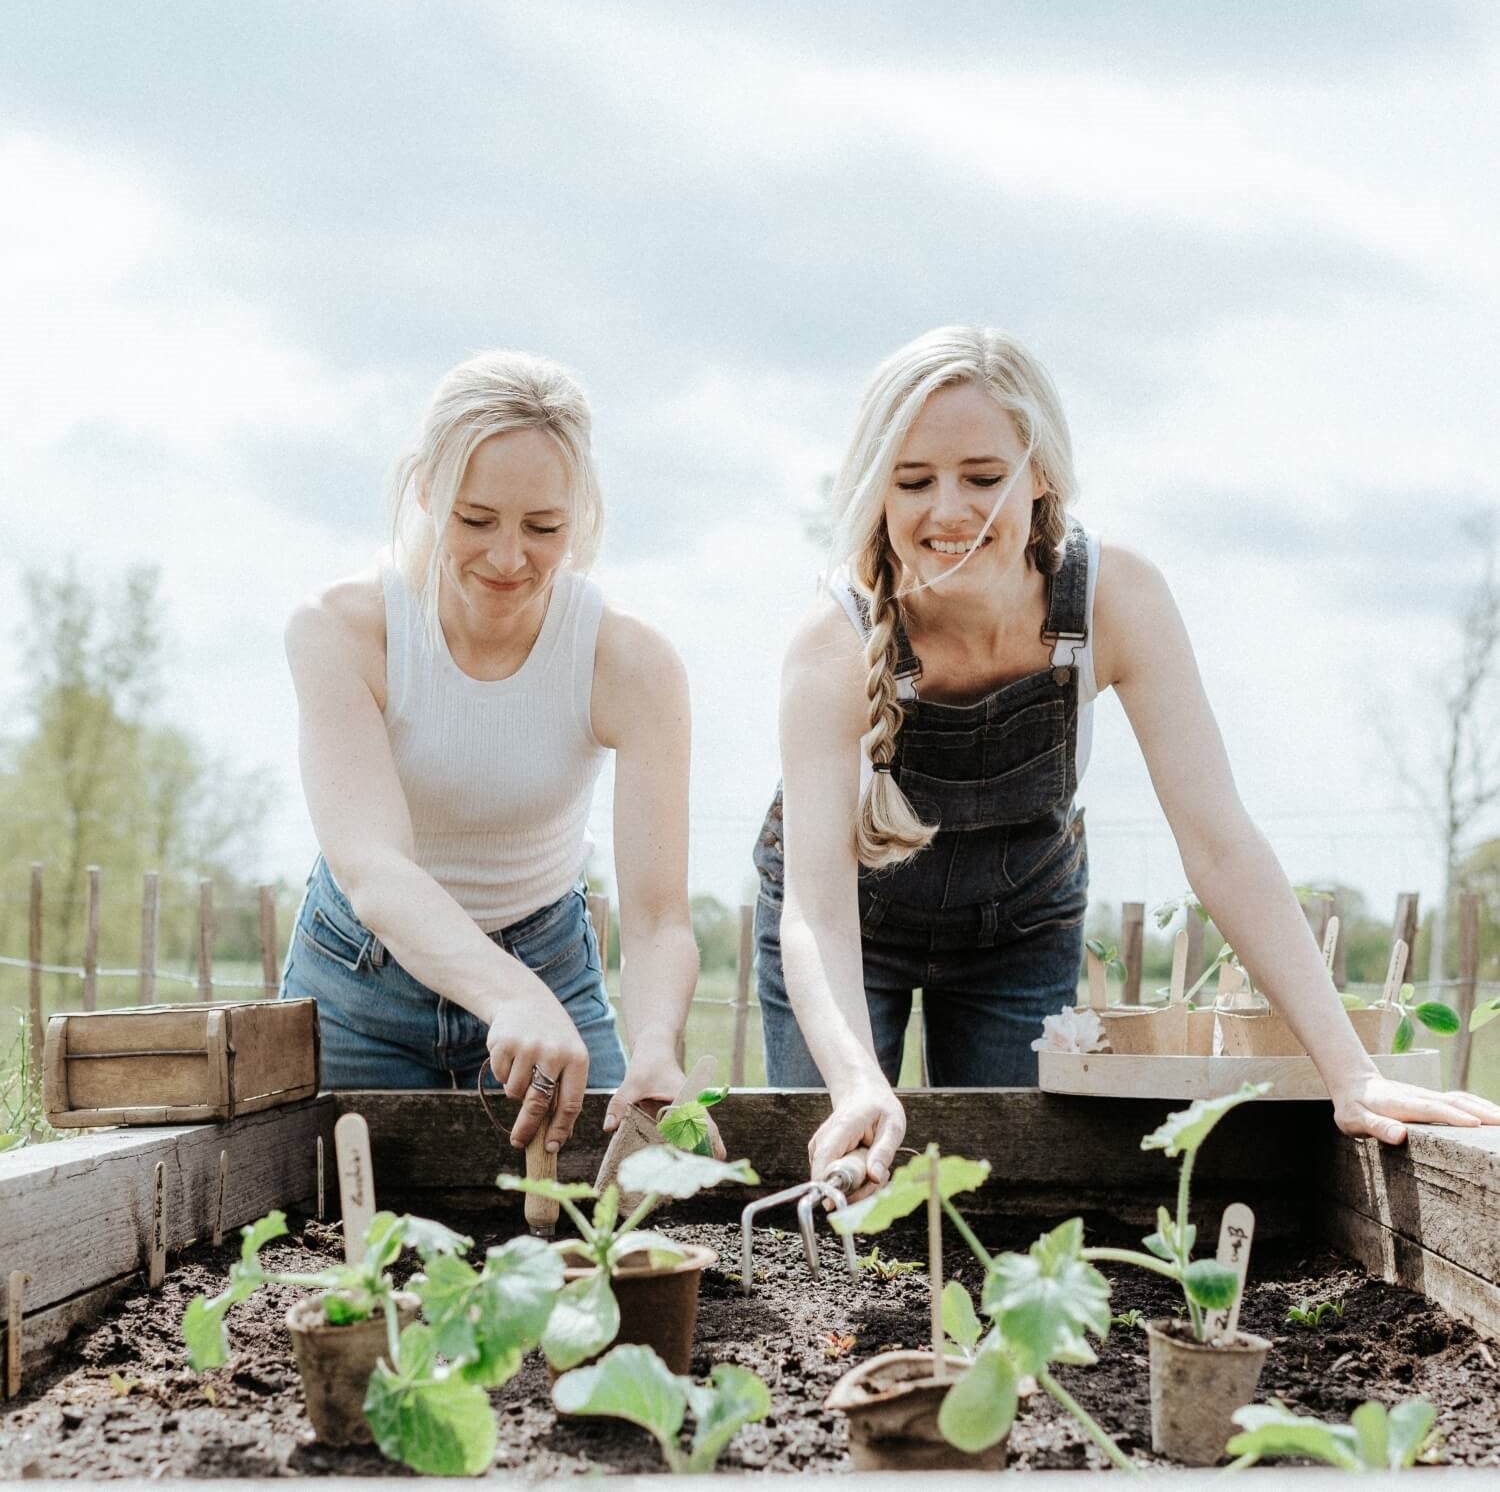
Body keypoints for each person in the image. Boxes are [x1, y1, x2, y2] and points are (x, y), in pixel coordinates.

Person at [753, 325, 1500, 1194]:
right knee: (843, 1184)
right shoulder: (830, 636)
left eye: (984, 478)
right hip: (852, 930)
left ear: (1041, 475)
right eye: (913, 481)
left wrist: (1351, 1071)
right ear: (877, 487)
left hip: (1020, 930)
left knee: (1000, 1199)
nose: (949, 510)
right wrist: (854, 1081)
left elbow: (1219, 841)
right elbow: (816, 908)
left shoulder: (1115, 599)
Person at [282, 349, 711, 1159]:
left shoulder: (631, 663)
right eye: (475, 520)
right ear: (424, 491)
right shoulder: (343, 630)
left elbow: (657, 918)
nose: (509, 558)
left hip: (548, 963)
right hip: (358, 982)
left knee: (611, 1214)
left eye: (543, 528)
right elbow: (375, 867)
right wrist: (510, 995)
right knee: (334, 1236)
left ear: (579, 515)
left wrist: (657, 1040)